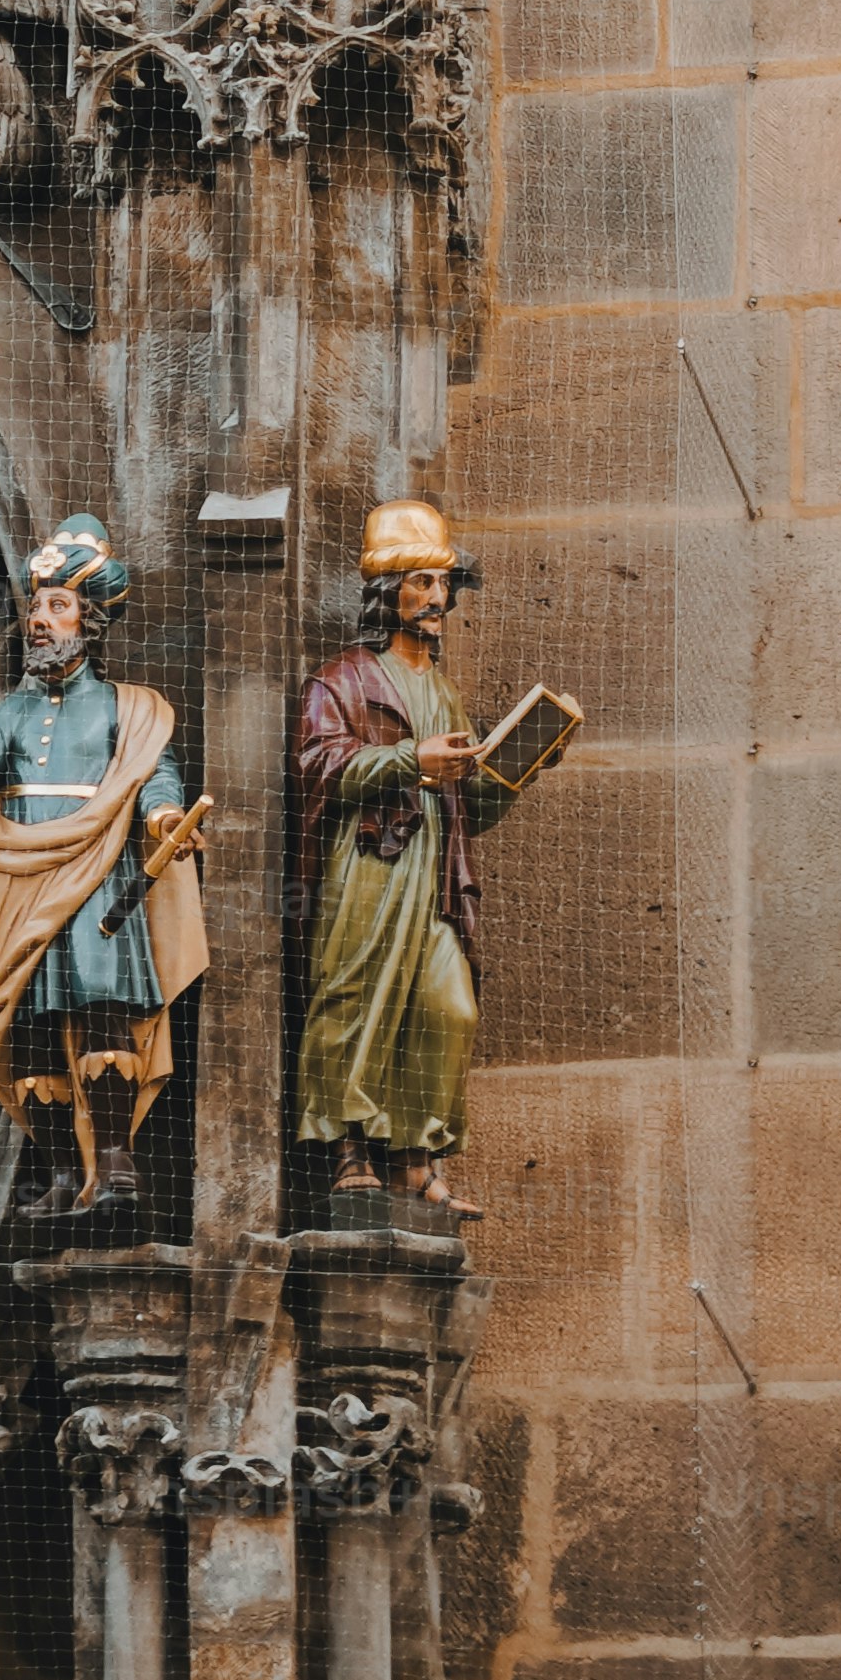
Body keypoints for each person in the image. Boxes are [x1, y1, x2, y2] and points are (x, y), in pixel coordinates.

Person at [0, 515, 210, 1213]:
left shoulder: (125, 709)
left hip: (98, 877)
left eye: (57, 607)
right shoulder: (13, 711)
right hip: (23, 878)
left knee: (103, 1014)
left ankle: (115, 1162)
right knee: (29, 1023)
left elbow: (154, 776)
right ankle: (63, 1172)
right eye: (37, 606)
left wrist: (164, 819)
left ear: (90, 622)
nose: (40, 621)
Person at [293, 495, 516, 1213]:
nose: (435, 598)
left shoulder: (444, 693)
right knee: (356, 996)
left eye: (441, 583)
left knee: (447, 1008)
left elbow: (467, 807)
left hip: (437, 874)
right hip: (370, 863)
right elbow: (320, 765)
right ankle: (351, 1152)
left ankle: (416, 1161)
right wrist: (405, 759)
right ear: (387, 593)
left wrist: (516, 771)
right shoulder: (343, 679)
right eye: (420, 583)